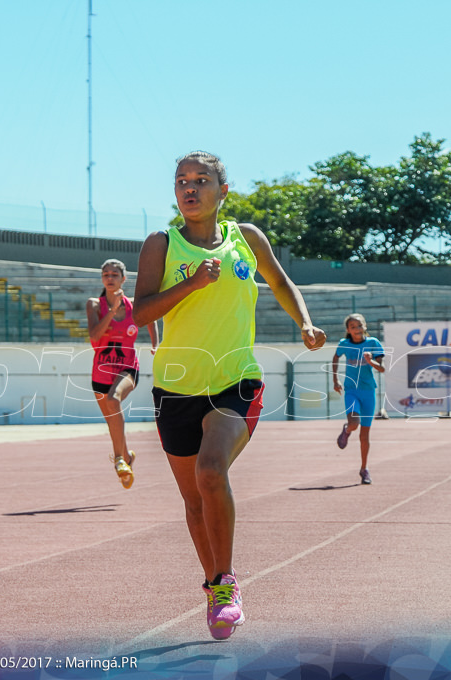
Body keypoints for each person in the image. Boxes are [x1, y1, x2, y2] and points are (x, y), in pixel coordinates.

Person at [132, 151, 326, 640]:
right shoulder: (161, 244)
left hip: (235, 380)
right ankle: (215, 585)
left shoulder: (246, 238)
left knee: (210, 471)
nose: (189, 189)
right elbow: (139, 313)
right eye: (181, 181)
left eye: (201, 180)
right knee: (194, 500)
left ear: (223, 191)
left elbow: (280, 281)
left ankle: (227, 583)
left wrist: (303, 322)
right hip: (175, 386)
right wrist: (194, 283)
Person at [86, 258, 159, 488]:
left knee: (113, 398)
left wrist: (156, 343)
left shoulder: (134, 305)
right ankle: (126, 458)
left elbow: (151, 316)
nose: (109, 278)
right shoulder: (94, 305)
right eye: (105, 274)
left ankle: (118, 459)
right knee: (111, 419)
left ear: (123, 279)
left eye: (114, 275)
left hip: (127, 368)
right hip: (100, 372)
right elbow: (95, 337)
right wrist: (112, 311)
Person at [331, 313, 385, 485]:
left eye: (359, 326)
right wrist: (335, 379)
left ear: (364, 327)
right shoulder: (344, 344)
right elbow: (336, 357)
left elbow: (382, 369)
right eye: (353, 327)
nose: (357, 329)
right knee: (354, 423)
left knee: (364, 435)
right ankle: (347, 430)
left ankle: (364, 469)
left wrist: (370, 362)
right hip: (351, 390)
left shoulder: (373, 343)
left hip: (368, 391)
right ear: (348, 330)